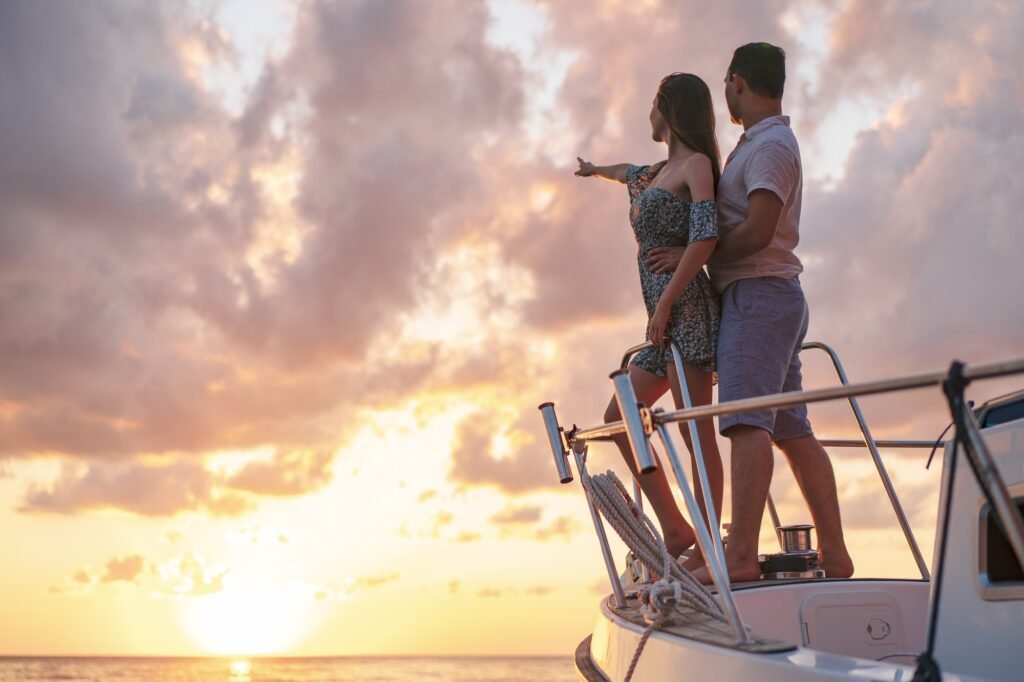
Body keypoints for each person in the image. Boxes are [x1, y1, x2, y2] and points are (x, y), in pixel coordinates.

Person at [647, 43, 855, 582]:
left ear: (737, 82)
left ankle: (738, 557)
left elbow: (760, 230)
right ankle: (835, 555)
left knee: (744, 424)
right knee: (791, 431)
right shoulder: (757, 144)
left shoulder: (770, 147)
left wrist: (700, 248)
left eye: (726, 84)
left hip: (757, 298)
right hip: (773, 297)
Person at [575, 73, 723, 568]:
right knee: (620, 420)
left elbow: (705, 237)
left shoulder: (697, 165)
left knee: (695, 435)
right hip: (660, 326)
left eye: (652, 105)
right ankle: (677, 527)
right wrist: (594, 169)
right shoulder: (654, 172)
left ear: (669, 110)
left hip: (686, 314)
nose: (648, 114)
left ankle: (709, 550)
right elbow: (624, 171)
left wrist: (665, 305)